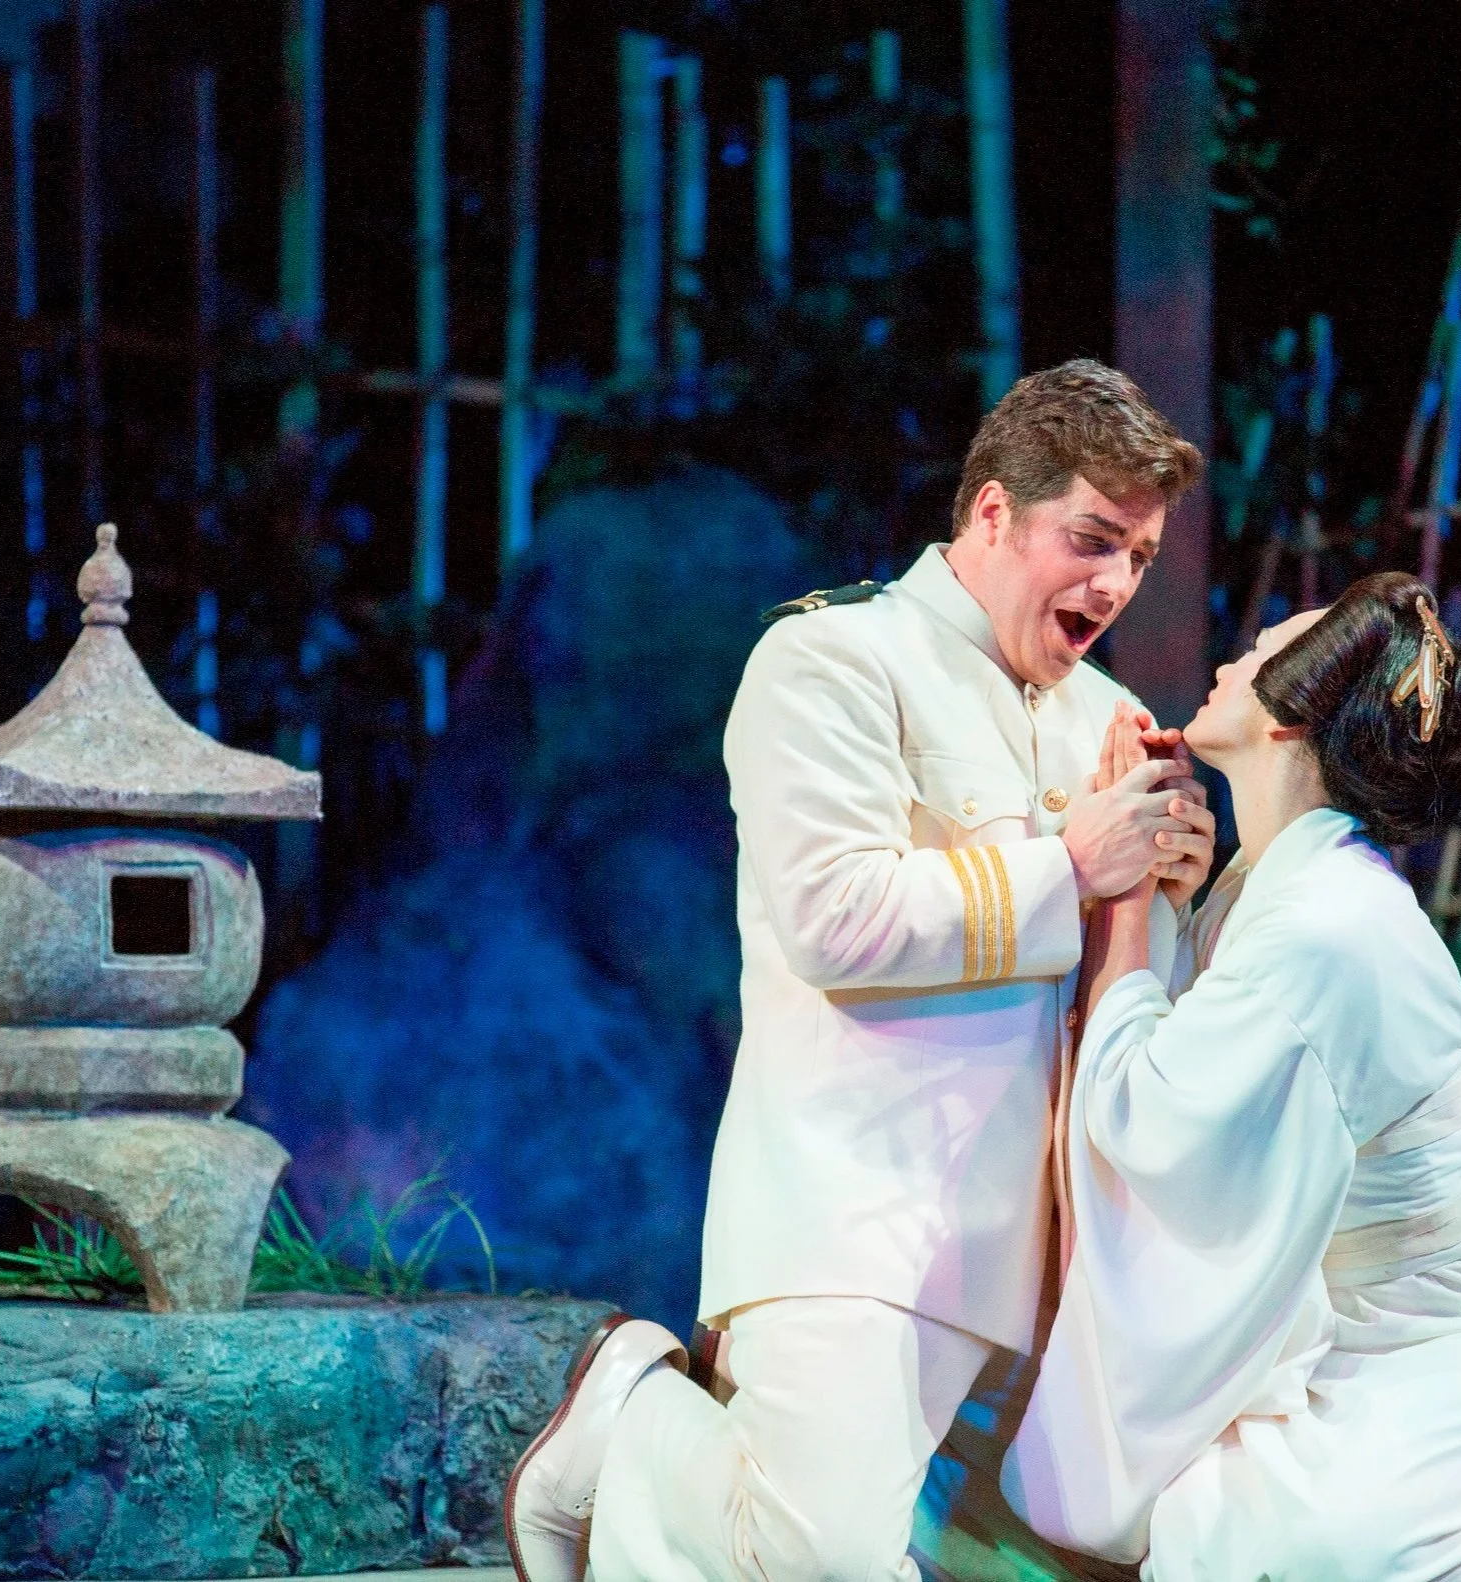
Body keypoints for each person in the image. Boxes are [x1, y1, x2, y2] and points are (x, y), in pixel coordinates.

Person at [504, 360, 1219, 1582]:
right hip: (861, 1222)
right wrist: (1072, 865)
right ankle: (632, 1411)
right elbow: (834, 919)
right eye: (1092, 540)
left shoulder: (1108, 710)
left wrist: (1175, 901)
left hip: (1045, 1254)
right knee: (815, 1560)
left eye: (1139, 558)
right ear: (994, 511)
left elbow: (1126, 1001)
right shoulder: (833, 661)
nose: (1113, 584)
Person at [1000, 572, 1461, 1582]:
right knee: (1220, 1528)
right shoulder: (1278, 885)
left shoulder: (1332, 923)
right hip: (1363, 1333)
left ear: (1288, 721)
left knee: (1333, 1551)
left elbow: (1156, 1121)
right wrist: (1175, 898)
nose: (1232, 657)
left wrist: (1127, 900)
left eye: (1261, 650)